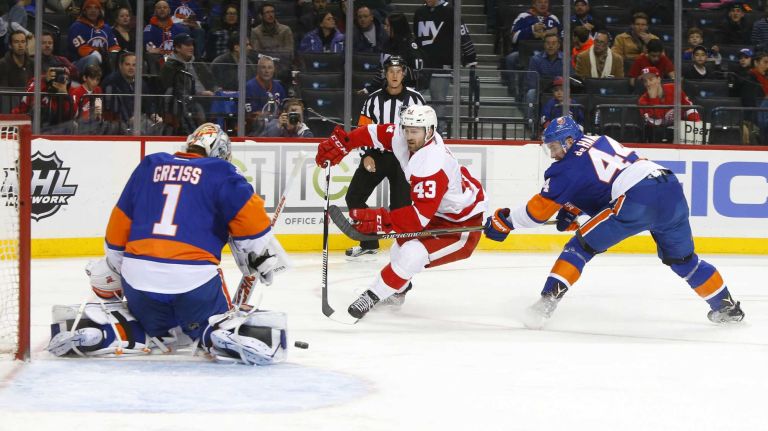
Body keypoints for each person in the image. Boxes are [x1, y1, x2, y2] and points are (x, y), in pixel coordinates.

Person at [47, 123, 289, 364]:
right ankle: (215, 334)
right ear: (221, 152)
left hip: (139, 283)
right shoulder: (223, 171)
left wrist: (117, 268)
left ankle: (109, 332)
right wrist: (260, 260)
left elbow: (117, 230)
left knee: (156, 331)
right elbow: (254, 230)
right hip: (194, 283)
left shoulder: (149, 165)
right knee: (209, 323)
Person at [483, 116, 745, 328]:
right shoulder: (600, 140)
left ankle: (545, 305)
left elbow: (536, 214)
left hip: (637, 197)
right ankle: (726, 307)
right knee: (685, 260)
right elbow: (603, 185)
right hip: (670, 188)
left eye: (553, 147)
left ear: (569, 140)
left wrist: (505, 221)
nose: (551, 154)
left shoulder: (565, 169)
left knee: (580, 247)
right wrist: (576, 209)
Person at [314, 105, 487, 319]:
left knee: (411, 254)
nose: (408, 136)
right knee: (399, 250)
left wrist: (380, 220)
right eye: (406, 130)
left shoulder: (432, 163)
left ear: (430, 131)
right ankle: (397, 292)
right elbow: (371, 133)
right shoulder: (404, 136)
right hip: (435, 213)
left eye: (415, 131)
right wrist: (345, 143)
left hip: (459, 226)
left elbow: (417, 219)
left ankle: (372, 296)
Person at [345, 56, 425, 259]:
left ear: (404, 73)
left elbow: (427, 130)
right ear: (385, 73)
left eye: (399, 71)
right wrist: (366, 155)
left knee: (401, 208)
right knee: (354, 196)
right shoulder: (372, 100)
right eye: (391, 71)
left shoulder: (416, 99)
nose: (395, 75)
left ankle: (404, 249)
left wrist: (418, 157)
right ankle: (369, 241)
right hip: (377, 155)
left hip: (404, 159)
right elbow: (362, 129)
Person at [413, 0, 477, 134]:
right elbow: (416, 39)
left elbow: (463, 34)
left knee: (439, 103)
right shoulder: (419, 13)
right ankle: (417, 133)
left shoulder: (451, 11)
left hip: (442, 67)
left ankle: (437, 135)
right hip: (422, 68)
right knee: (417, 102)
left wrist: (470, 57)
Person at [160, 32, 215, 134]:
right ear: (177, 48)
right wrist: (199, 94)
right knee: (199, 113)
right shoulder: (171, 66)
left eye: (192, 45)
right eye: (187, 45)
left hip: (206, 97)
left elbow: (211, 81)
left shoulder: (198, 63)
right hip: (187, 101)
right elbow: (176, 89)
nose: (191, 48)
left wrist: (215, 90)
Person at [101, 51, 161, 134]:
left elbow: (149, 101)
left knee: (155, 126)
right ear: (120, 65)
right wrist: (129, 118)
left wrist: (153, 114)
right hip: (118, 122)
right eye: (127, 64)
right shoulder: (111, 82)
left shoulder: (140, 82)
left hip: (138, 119)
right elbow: (112, 107)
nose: (131, 68)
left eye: (134, 65)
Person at [637, 66, 700, 142]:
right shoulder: (642, 101)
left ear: (659, 79)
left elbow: (689, 107)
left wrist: (697, 124)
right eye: (645, 81)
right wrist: (653, 99)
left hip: (679, 130)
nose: (648, 84)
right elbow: (656, 123)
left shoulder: (674, 88)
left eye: (651, 79)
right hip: (658, 136)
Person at [67, 0, 121, 74]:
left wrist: (114, 54)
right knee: (93, 58)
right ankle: (91, 84)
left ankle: (112, 82)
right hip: (79, 64)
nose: (93, 11)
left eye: (96, 8)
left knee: (118, 56)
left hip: (104, 63)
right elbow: (81, 48)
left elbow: (114, 46)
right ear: (84, 11)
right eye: (89, 8)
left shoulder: (106, 28)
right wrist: (95, 53)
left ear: (100, 11)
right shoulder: (76, 27)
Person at [245, 55, 287, 135]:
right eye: (263, 67)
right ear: (258, 69)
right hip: (256, 129)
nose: (267, 71)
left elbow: (283, 109)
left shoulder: (279, 87)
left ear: (274, 70)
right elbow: (249, 115)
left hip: (277, 126)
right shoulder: (249, 86)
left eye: (270, 67)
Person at [70, 64, 104, 132]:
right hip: (80, 127)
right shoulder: (76, 92)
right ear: (84, 78)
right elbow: (73, 115)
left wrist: (98, 115)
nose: (95, 82)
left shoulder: (98, 90)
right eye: (92, 79)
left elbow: (99, 112)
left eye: (97, 80)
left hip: (94, 126)